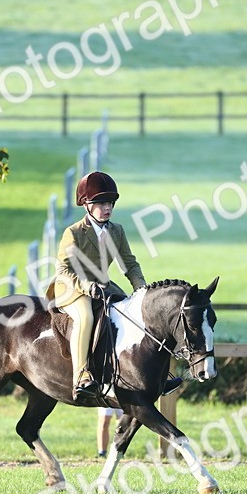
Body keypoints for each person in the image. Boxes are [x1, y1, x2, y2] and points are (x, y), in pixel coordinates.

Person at [47, 171, 180, 400]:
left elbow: (129, 263)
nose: (107, 207)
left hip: (102, 286)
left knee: (132, 310)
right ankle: (81, 375)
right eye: (101, 203)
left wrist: (142, 291)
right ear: (87, 205)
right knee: (86, 317)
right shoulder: (74, 233)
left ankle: (155, 375)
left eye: (110, 202)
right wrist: (86, 287)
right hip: (72, 288)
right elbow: (63, 271)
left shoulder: (116, 230)